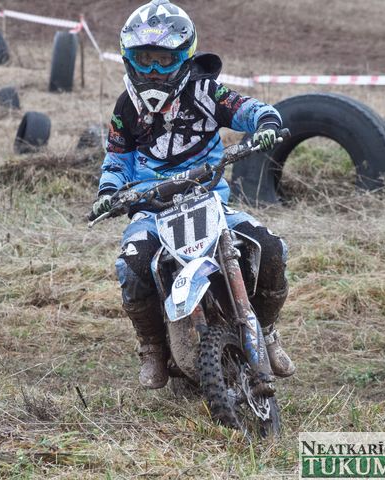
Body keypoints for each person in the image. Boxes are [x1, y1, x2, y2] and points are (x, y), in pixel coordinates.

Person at [92, 0, 295, 389]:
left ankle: (267, 331)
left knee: (270, 248)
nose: (154, 70)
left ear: (184, 57)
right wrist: (110, 192)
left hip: (209, 199)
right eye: (145, 59)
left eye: (164, 60)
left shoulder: (205, 92)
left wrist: (266, 123)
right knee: (132, 265)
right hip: (152, 208)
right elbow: (117, 158)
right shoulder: (126, 108)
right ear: (129, 58)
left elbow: (247, 108)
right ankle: (152, 346)